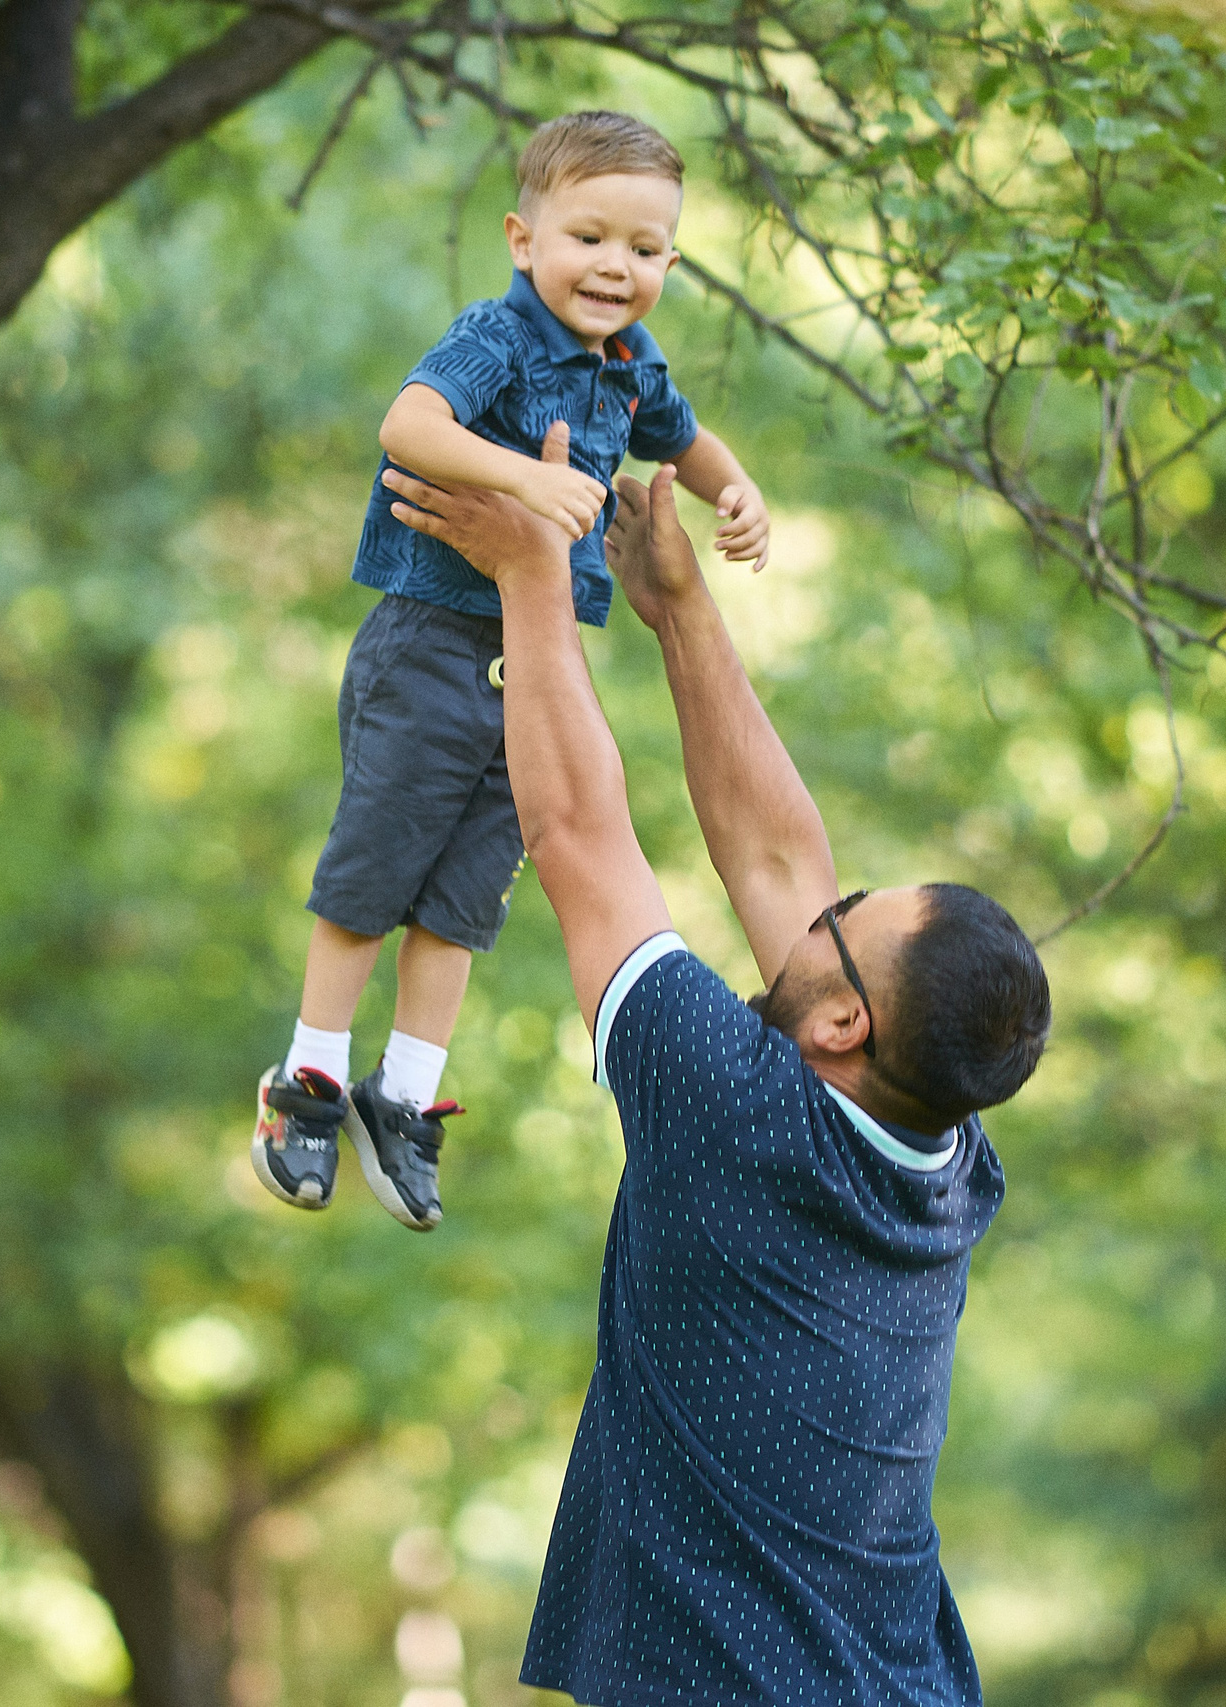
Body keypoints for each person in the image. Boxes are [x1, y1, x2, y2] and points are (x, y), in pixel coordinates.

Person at [382, 434, 1052, 1703]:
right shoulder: (945, 1148)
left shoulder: (734, 1114)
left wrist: (531, 577)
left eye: (846, 917)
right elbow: (781, 865)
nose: (823, 901)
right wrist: (679, 608)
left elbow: (576, 833)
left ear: (843, 1025)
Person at [254, 109, 773, 1233]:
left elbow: (684, 438)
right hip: (431, 645)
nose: (616, 266)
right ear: (523, 238)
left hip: (533, 674)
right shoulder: (495, 337)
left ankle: (404, 1093)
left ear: (670, 262)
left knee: (467, 893)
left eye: (645, 249)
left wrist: (737, 490)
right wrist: (523, 482)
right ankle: (308, 1076)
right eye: (590, 237)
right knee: (377, 865)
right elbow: (409, 424)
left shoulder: (631, 367)